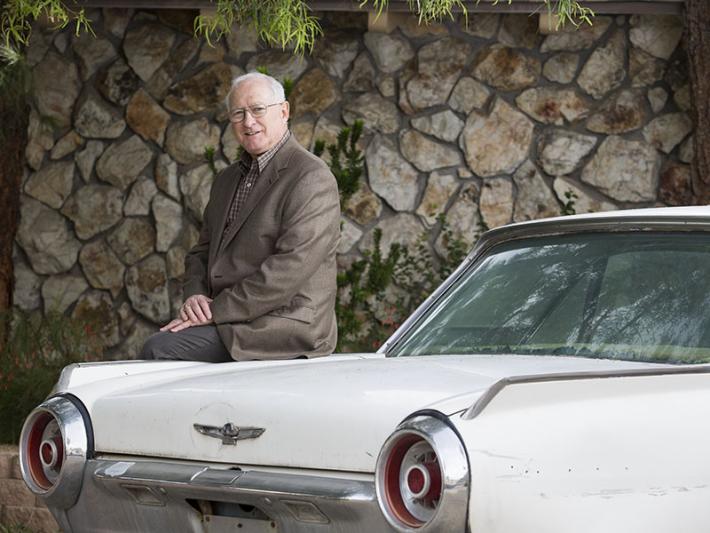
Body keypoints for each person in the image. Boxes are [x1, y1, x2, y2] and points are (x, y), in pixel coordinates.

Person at [140, 72, 340, 362]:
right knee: (161, 344)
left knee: (159, 349)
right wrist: (195, 297)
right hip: (233, 319)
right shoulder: (227, 180)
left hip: (284, 324)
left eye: (258, 109)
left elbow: (290, 268)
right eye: (238, 113)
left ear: (283, 111)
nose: (248, 122)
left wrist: (215, 311)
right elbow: (201, 252)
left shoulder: (311, 177)